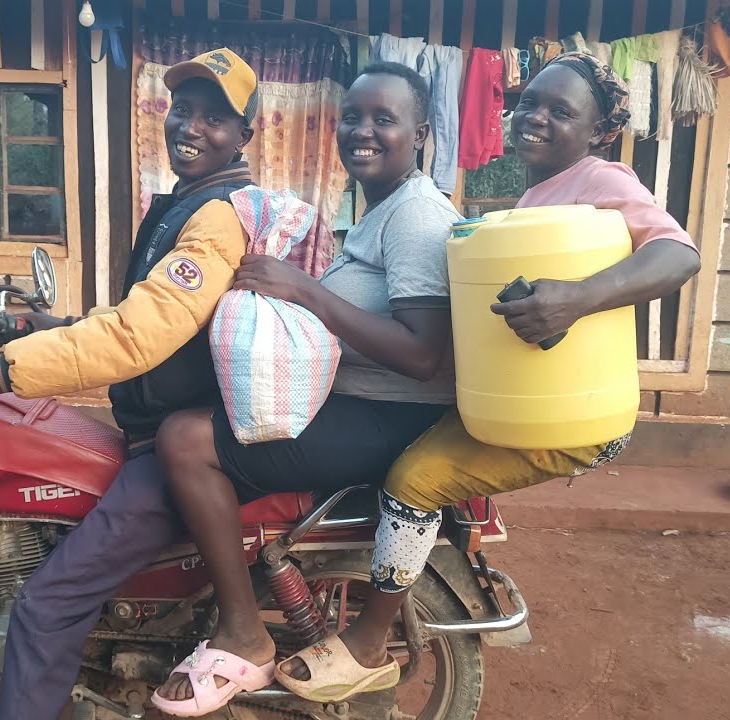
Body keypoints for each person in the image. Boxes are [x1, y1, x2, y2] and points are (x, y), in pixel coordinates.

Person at [274, 52, 703, 702]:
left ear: (598, 132)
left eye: (559, 110)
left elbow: (677, 254)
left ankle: (367, 646)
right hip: (521, 401)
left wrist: (579, 296)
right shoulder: (539, 193)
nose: (534, 117)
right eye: (528, 103)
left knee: (414, 479)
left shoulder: (602, 179)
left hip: (570, 417)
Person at [0, 47, 264, 720]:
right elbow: (153, 320)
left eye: (214, 118)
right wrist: (49, 325)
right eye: (182, 110)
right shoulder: (190, 202)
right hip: (158, 429)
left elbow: (138, 337)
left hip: (176, 449)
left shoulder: (217, 217)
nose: (190, 127)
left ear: (244, 136)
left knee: (44, 607)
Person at [149, 62, 462, 717]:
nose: (363, 131)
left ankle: (242, 631)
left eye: (384, 119)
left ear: (422, 132)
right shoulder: (377, 210)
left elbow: (423, 355)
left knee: (184, 441)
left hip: (390, 418)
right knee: (196, 413)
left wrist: (305, 292)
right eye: (352, 117)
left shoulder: (416, 216)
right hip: (358, 403)